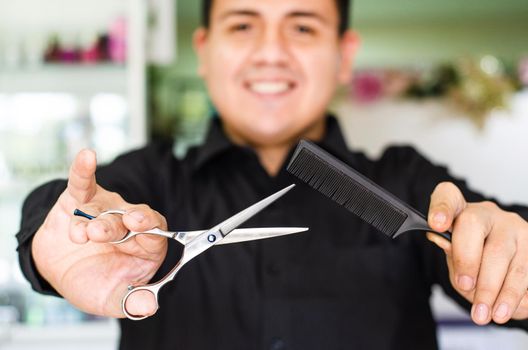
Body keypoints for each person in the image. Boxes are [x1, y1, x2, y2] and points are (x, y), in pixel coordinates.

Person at [16, 0, 528, 349]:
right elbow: (64, 206)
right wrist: (57, 240)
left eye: (302, 27)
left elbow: (505, 247)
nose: (270, 51)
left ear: (343, 55)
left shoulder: (406, 185)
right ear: (204, 50)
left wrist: (514, 256)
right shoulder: (148, 180)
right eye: (243, 25)